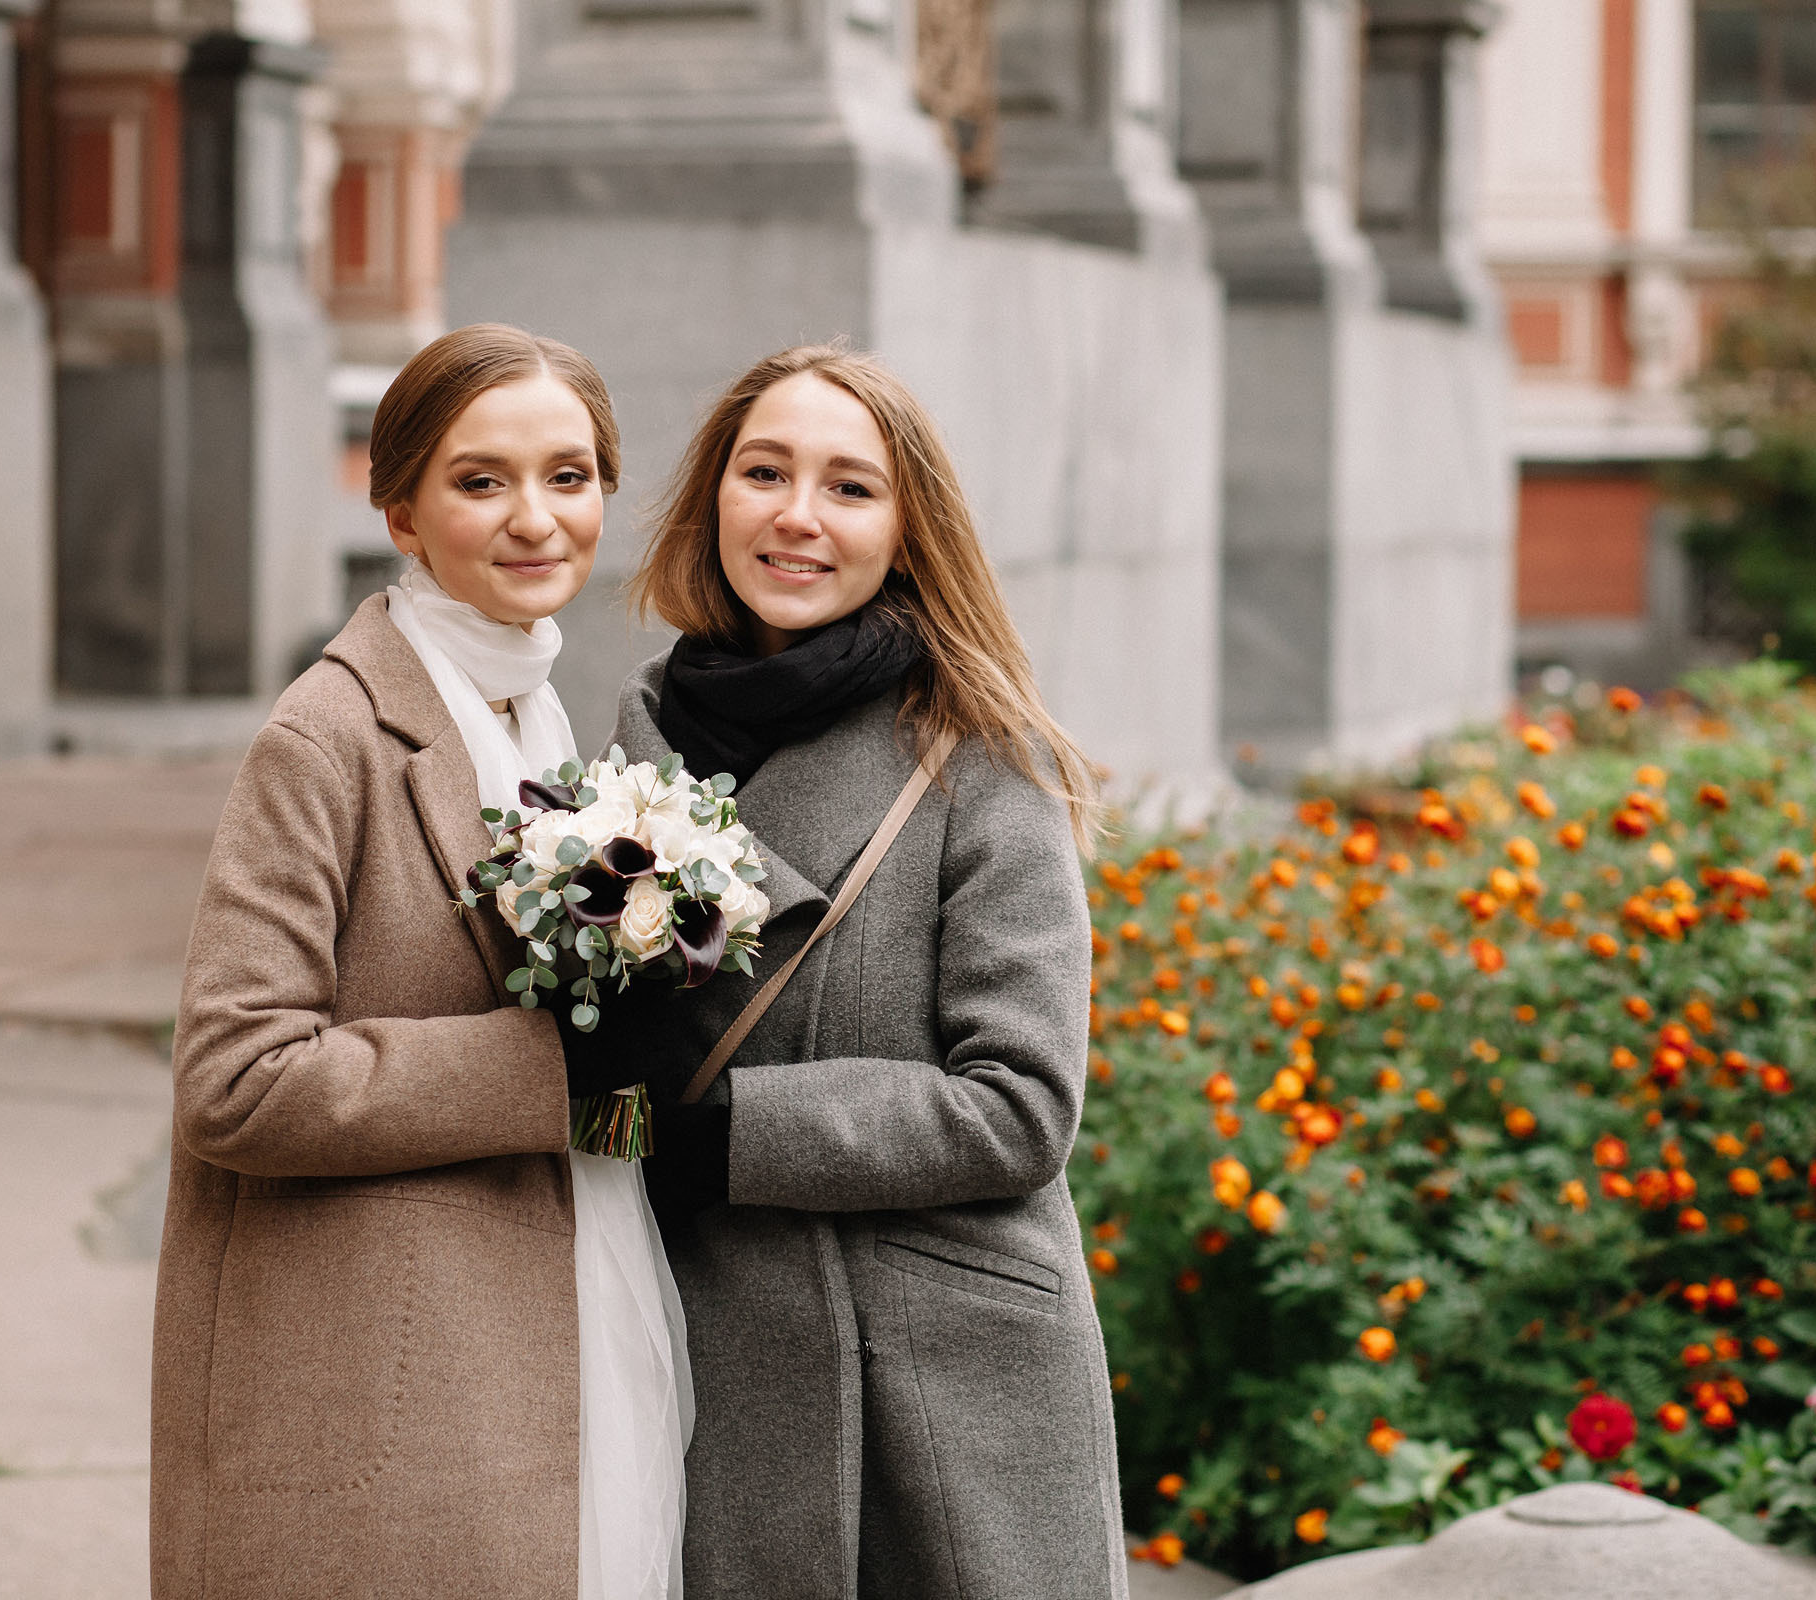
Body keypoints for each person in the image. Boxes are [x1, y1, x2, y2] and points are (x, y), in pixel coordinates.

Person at [152, 323, 690, 1600]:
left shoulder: (543, 710)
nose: (534, 519)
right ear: (398, 506)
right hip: (381, 1365)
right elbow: (233, 1076)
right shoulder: (328, 733)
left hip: (563, 1300)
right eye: (480, 480)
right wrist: (553, 1067)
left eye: (569, 476)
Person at [600, 342, 1131, 1598]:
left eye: (850, 487)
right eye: (764, 470)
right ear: (711, 498)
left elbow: (1021, 1106)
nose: (796, 515)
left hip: (942, 1381)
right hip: (699, 1359)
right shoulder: (632, 738)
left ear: (908, 528)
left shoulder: (979, 756)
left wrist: (731, 1132)